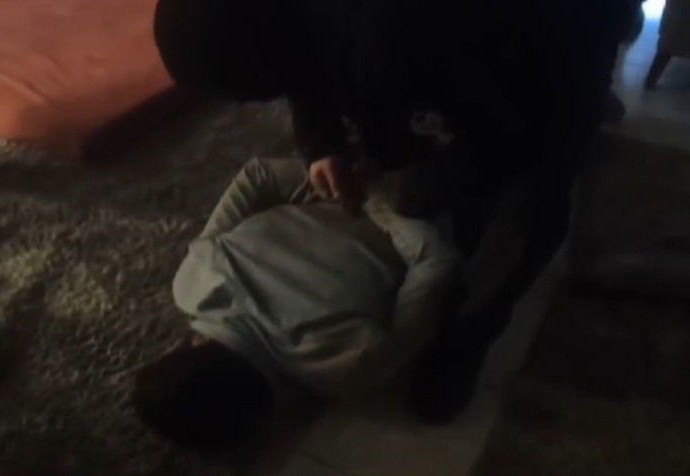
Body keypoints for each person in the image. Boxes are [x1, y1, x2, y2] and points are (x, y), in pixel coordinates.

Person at [153, 0, 629, 423]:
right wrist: (323, 146)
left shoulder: (391, 42)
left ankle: (464, 344)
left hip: (560, 41)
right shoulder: (306, 32)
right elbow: (306, 75)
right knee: (423, 194)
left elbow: (468, 147)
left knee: (522, 215)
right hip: (432, 60)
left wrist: (390, 194)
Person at [132, 158, 459, 456]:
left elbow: (436, 260)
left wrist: (353, 191)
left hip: (394, 198)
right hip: (405, 186)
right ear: (192, 344)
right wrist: (365, 198)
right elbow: (259, 174)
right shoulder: (193, 276)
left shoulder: (350, 367)